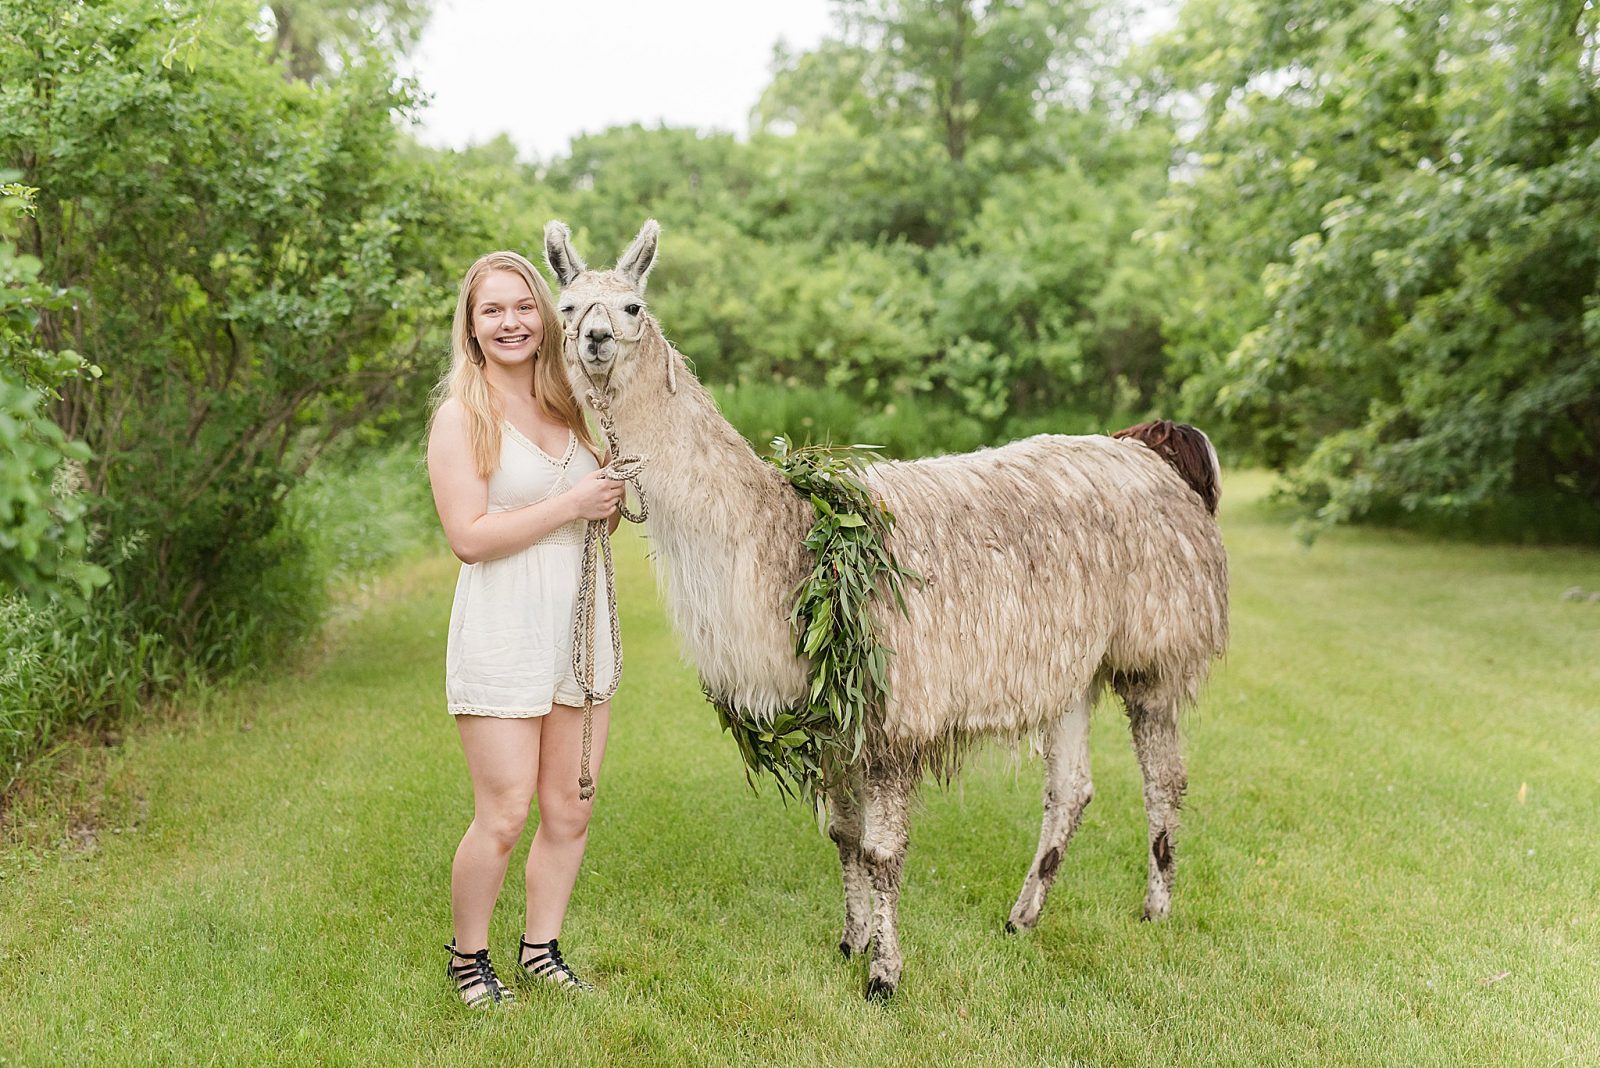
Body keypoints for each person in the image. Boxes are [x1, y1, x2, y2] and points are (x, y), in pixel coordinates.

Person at [426, 250, 623, 1007]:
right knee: (505, 812)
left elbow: (610, 492)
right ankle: (468, 958)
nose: (510, 322)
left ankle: (541, 948)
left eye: (522, 306)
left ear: (544, 315)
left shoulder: (573, 405)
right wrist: (572, 506)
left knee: (572, 805)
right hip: (505, 629)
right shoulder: (462, 415)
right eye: (492, 311)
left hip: (579, 631)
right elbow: (469, 537)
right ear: (472, 329)